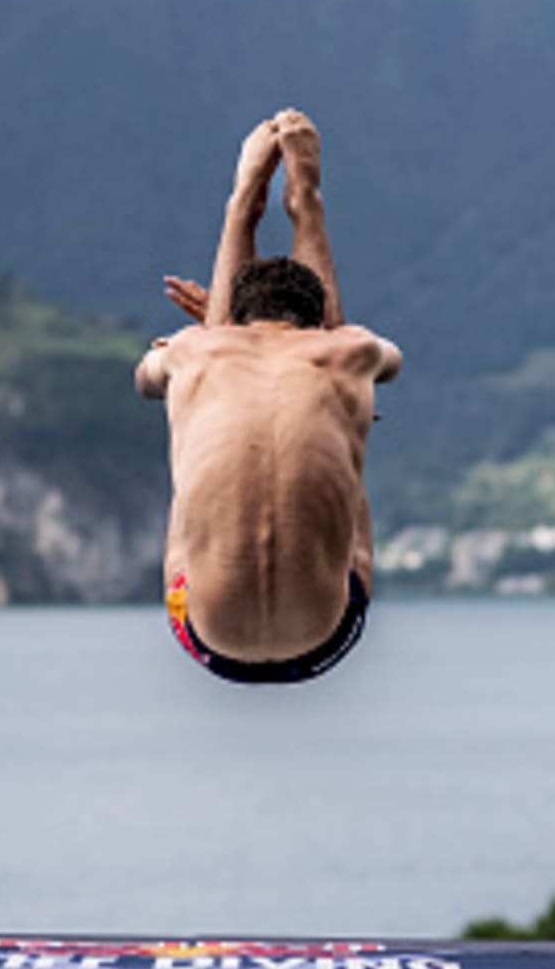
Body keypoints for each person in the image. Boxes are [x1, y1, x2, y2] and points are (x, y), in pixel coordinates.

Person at [137, 109, 403, 685]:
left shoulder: (194, 351)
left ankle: (249, 205)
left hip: (206, 638)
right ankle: (299, 202)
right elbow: (373, 357)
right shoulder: (349, 351)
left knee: (190, 416)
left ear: (234, 320)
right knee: (351, 415)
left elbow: (146, 379)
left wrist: (242, 205)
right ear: (315, 323)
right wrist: (305, 196)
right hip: (326, 638)